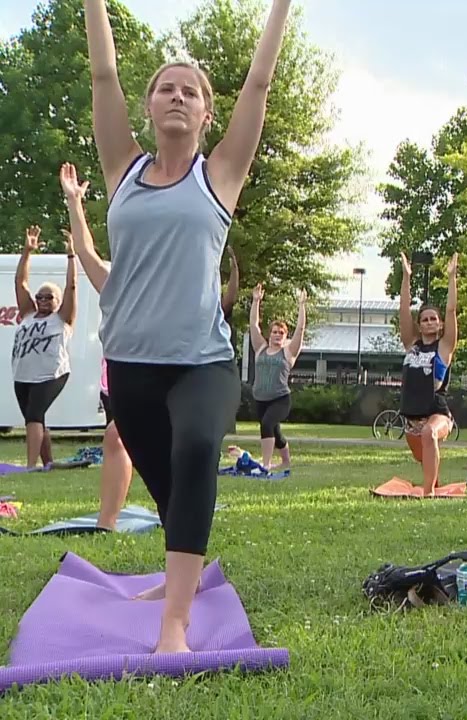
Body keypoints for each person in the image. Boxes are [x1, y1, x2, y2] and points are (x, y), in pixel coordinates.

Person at [85, 0, 291, 652]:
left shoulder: (220, 176)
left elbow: (259, 82)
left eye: (191, 91)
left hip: (202, 359)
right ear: (149, 107)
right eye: (165, 88)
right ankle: (181, 579)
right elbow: (102, 77)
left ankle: (175, 622)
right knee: (172, 491)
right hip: (131, 368)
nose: (177, 96)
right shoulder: (121, 170)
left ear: (206, 113)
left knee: (198, 448)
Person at [61, 164, 239, 531]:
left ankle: (168, 528)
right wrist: (74, 202)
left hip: (177, 374)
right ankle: (114, 519)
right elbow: (84, 250)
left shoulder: (173, 280)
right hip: (125, 380)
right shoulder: (115, 282)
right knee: (126, 445)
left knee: (170, 449)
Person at [11, 225, 76, 469]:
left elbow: (71, 287)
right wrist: (27, 251)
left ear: (58, 301)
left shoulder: (62, 318)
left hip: (51, 374)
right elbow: (21, 281)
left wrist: (71, 256)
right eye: (40, 296)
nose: (42, 300)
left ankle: (30, 467)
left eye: (49, 297)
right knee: (36, 418)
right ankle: (48, 463)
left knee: (33, 416)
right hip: (23, 376)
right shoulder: (28, 314)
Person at [398, 251, 459, 492]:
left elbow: (452, 310)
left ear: (440, 323)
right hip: (412, 414)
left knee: (430, 433)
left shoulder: (444, 347)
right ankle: (433, 481)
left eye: (434, 318)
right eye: (424, 319)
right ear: (419, 325)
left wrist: (452, 277)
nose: (430, 322)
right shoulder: (411, 344)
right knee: (423, 456)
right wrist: (406, 277)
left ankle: (428, 493)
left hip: (437, 410)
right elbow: (404, 310)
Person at [248, 284, 306, 471]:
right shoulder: (261, 348)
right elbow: (253, 326)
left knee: (267, 424)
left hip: (280, 399)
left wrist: (302, 305)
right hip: (260, 399)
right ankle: (286, 462)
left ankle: (265, 465)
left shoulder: (288, 353)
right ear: (269, 334)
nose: (277, 335)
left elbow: (300, 330)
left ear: (284, 336)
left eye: (281, 333)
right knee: (275, 431)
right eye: (274, 332)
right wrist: (256, 301)